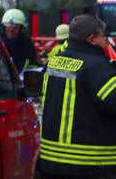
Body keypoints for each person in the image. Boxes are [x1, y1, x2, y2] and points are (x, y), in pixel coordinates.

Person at [39, 15, 116, 178]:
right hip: (90, 163)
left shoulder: (53, 62)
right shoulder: (97, 67)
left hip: (50, 161)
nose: (106, 42)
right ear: (92, 39)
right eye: (103, 36)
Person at [0, 8, 38, 73]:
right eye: (8, 25)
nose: (11, 30)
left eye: (15, 27)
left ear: (21, 29)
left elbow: (32, 64)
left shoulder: (27, 44)